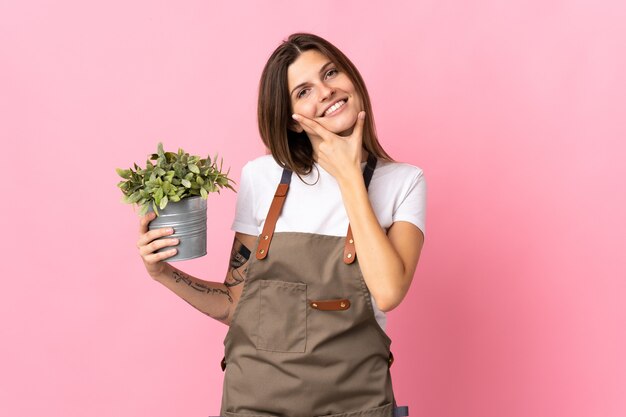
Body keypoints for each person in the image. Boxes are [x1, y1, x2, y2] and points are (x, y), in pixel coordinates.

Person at [136, 33, 426, 417]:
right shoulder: (261, 177)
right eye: (303, 91)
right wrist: (162, 274)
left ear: (352, 78)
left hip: (355, 405)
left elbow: (388, 292)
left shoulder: (404, 181)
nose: (324, 91)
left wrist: (349, 176)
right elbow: (234, 305)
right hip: (255, 404)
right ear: (291, 121)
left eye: (331, 72)